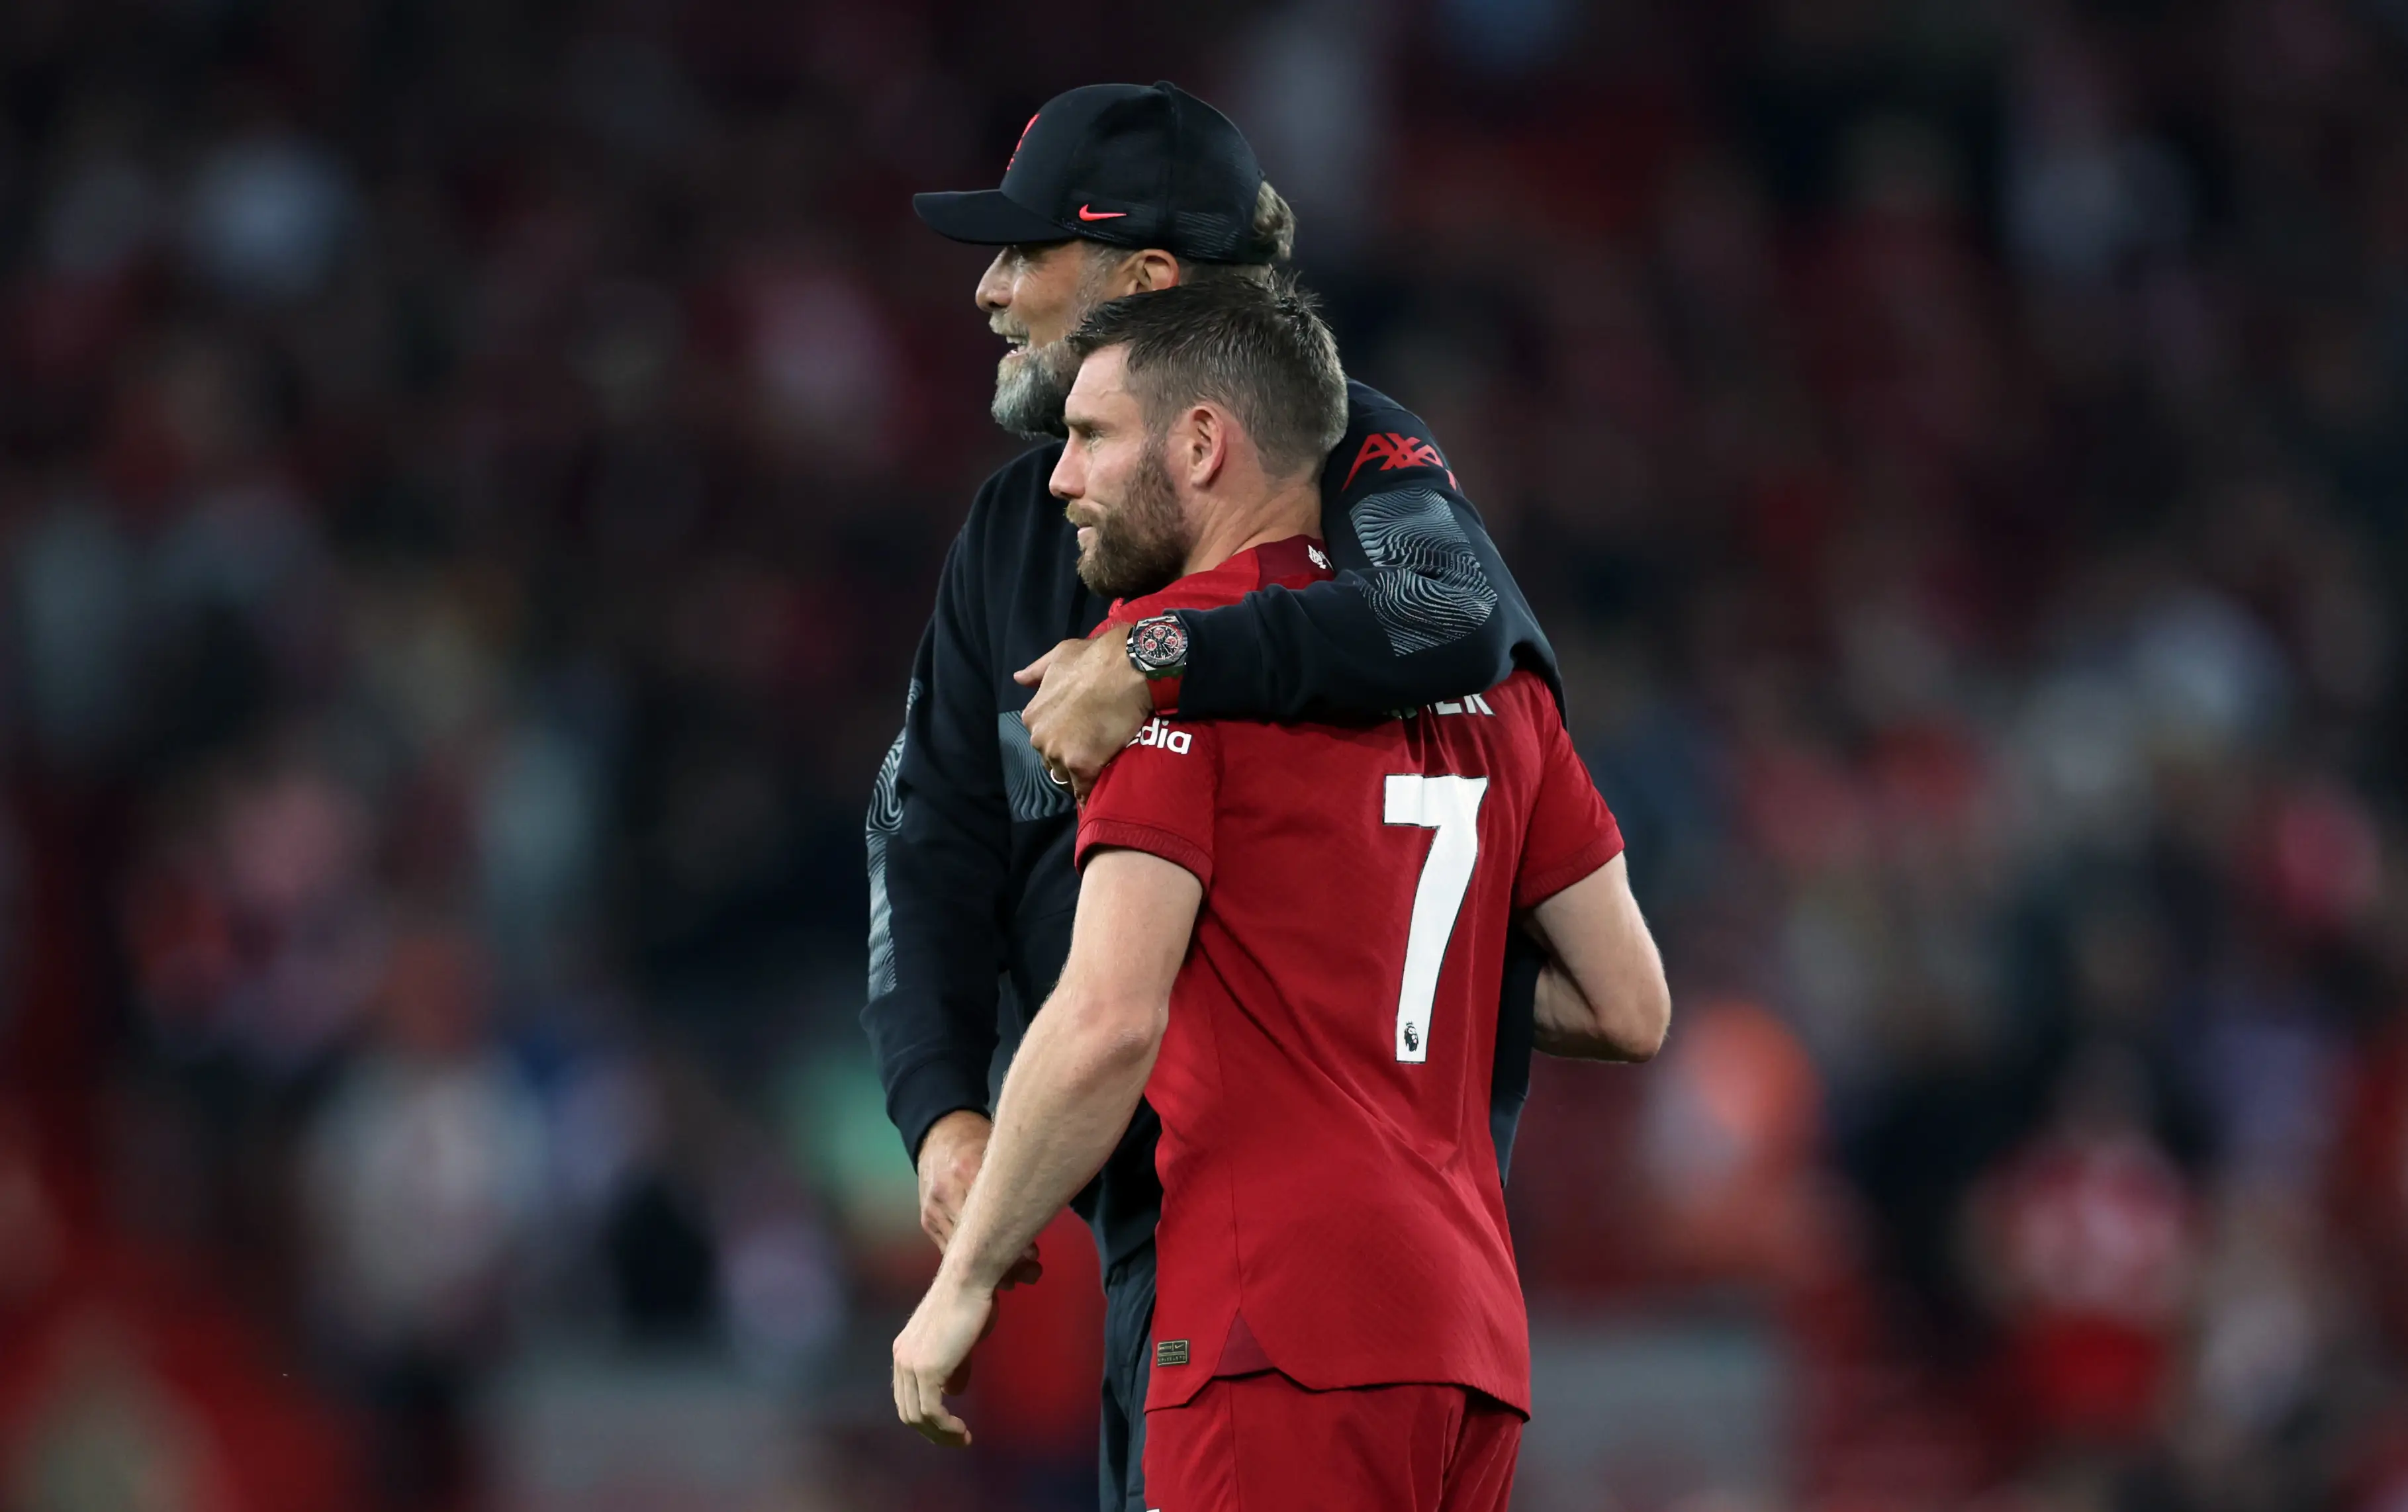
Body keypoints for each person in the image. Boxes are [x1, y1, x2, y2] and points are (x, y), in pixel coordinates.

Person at [864, 81, 1565, 1511]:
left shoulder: (1351, 461)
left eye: (1026, 253)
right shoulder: (1009, 528)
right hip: (1235, 1251)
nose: (991, 290)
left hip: (1263, 1251)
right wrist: (941, 1109)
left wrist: (1163, 654)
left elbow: (1445, 610)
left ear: (1147, 279)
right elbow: (920, 831)